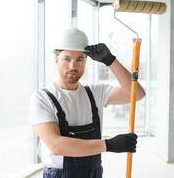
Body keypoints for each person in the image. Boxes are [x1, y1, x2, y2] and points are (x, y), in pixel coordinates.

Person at [30, 28, 146, 178]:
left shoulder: (95, 94)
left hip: (93, 173)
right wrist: (108, 145)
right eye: (66, 58)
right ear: (56, 58)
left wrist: (111, 61)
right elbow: (56, 145)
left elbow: (137, 94)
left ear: (86, 61)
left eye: (79, 59)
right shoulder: (42, 98)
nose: (73, 66)